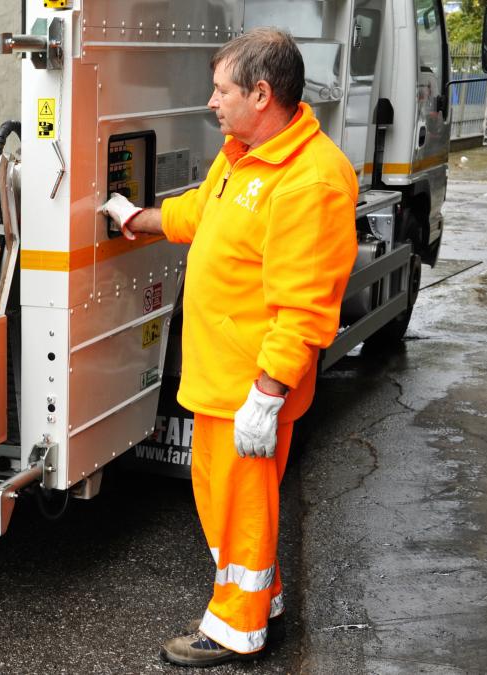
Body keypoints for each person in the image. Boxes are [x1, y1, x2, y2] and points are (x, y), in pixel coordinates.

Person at [99, 28, 358, 667]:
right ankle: (257, 598)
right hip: (219, 385)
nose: (210, 103)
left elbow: (304, 308)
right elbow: (203, 217)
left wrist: (267, 398)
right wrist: (138, 219)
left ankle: (235, 631)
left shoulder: (310, 181)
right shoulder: (243, 153)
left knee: (243, 511)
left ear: (261, 94)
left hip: (249, 388)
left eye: (220, 91)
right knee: (220, 504)